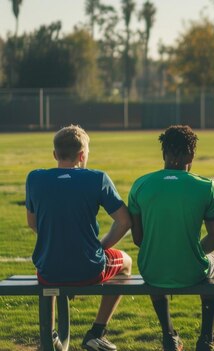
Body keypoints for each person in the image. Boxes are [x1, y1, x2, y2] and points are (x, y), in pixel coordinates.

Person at [25, 125, 132, 351]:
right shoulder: (96, 178)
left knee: (49, 267)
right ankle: (97, 332)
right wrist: (102, 247)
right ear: (82, 155)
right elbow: (124, 221)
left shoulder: (34, 178)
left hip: (48, 271)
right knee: (127, 263)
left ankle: (49, 335)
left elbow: (32, 223)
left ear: (55, 154)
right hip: (88, 269)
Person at [128, 125, 214, 351]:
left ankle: (169, 336)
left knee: (156, 265)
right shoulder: (206, 186)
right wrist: (192, 251)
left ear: (164, 154)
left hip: (151, 270)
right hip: (192, 270)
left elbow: (138, 238)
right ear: (191, 155)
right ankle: (206, 339)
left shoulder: (140, 184)